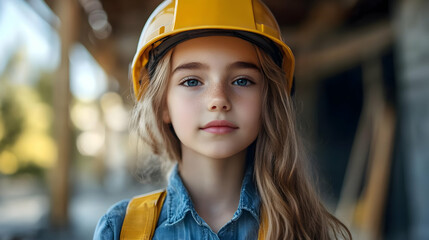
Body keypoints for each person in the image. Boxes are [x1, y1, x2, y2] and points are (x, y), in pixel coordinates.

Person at [94, 0, 352, 239]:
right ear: (162, 104)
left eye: (242, 80)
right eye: (192, 81)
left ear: (268, 102)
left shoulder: (304, 228)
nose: (218, 99)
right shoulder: (120, 229)